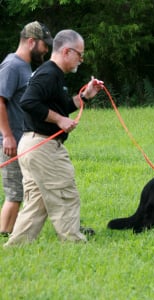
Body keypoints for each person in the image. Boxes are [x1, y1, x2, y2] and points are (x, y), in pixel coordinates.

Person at [4, 29, 104, 247]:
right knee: (65, 194)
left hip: (32, 145)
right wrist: (59, 120)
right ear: (67, 51)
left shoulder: (53, 75)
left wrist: (84, 96)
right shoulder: (49, 74)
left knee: (36, 203)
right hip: (43, 147)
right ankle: (74, 244)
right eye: (80, 54)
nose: (81, 60)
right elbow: (28, 102)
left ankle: (16, 247)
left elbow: (61, 105)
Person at [0, 21, 53, 237]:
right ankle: (4, 233)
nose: (46, 50)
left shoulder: (24, 66)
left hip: (25, 141)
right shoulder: (12, 66)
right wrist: (8, 136)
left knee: (31, 189)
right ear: (31, 41)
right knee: (15, 193)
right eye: (44, 45)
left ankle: (19, 231)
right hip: (11, 143)